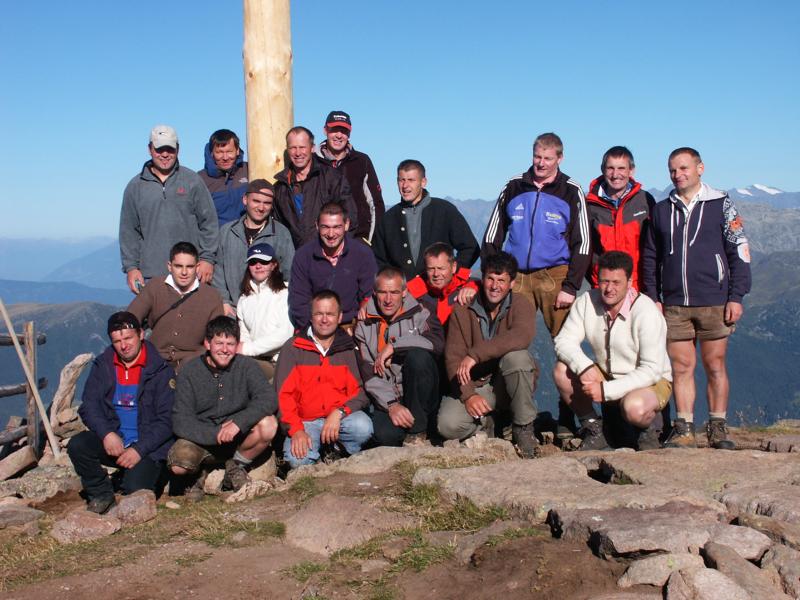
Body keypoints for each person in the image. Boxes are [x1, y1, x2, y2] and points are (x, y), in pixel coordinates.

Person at [481, 132, 590, 440]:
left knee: (567, 347)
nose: (541, 163)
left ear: (560, 158)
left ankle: (568, 417)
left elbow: (583, 243)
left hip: (555, 275)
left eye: (548, 158)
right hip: (516, 276)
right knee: (509, 345)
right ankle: (513, 417)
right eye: (537, 157)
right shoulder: (514, 186)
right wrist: (494, 275)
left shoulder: (571, 190)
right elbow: (492, 235)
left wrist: (571, 285)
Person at [642, 147, 751, 449]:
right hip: (675, 303)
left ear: (700, 168)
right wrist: (653, 296)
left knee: (715, 365)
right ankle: (684, 428)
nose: (677, 175)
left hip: (715, 300)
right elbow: (650, 256)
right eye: (672, 170)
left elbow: (739, 250)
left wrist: (736, 296)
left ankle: (718, 427)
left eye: (684, 168)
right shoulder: (661, 210)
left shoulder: (721, 204)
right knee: (681, 367)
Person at [553, 251, 673, 451]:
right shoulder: (587, 302)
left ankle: (647, 431)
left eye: (616, 282)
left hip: (651, 382)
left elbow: (651, 370)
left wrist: (606, 391)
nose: (609, 289)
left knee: (634, 407)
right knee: (562, 370)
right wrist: (584, 366)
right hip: (608, 374)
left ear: (630, 282)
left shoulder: (646, 311)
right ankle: (594, 428)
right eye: (604, 281)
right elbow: (563, 340)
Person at [69, 312, 175, 514]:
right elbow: (89, 405)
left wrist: (139, 450)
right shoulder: (104, 365)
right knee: (78, 445)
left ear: (141, 334)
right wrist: (107, 434)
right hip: (115, 440)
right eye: (117, 341)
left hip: (147, 447)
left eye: (128, 338)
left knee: (134, 490)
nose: (124, 346)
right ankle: (101, 494)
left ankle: (150, 475)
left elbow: (167, 420)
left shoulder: (160, 370)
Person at [437, 252, 539, 458]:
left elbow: (522, 336)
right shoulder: (462, 309)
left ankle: (523, 427)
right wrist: (469, 395)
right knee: (448, 426)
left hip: (506, 382)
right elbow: (453, 357)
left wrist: (475, 355)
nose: (495, 286)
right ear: (482, 279)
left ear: (512, 283)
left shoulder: (520, 304)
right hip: (478, 385)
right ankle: (489, 422)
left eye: (501, 280)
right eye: (490, 279)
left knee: (517, 358)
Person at [168, 316, 278, 499]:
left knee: (269, 424)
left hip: (238, 439)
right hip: (201, 439)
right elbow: (181, 421)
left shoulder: (247, 366)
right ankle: (198, 475)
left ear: (237, 345)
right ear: (207, 344)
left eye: (230, 344)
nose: (225, 350)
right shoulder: (190, 371)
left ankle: (235, 467)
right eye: (219, 343)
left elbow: (268, 398)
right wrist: (215, 433)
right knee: (178, 465)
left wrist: (238, 423)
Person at [276, 290, 373, 468]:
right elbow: (283, 397)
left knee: (362, 427)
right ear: (311, 316)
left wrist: (339, 412)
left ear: (340, 317)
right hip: (306, 422)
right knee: (298, 461)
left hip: (340, 419)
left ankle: (336, 451)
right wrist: (296, 430)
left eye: (330, 314)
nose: (324, 319)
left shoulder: (349, 348)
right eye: (319, 314)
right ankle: (317, 455)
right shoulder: (293, 347)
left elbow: (360, 392)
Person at [120, 125, 219, 294]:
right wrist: (131, 268)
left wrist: (207, 259)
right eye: (159, 149)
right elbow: (128, 232)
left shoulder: (192, 181)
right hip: (151, 275)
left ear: (178, 149)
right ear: (150, 149)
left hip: (191, 273)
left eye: (170, 149)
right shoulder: (135, 187)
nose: (165, 154)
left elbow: (209, 223)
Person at [356, 267, 444, 446]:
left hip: (421, 391)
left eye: (394, 292)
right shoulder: (364, 325)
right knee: (385, 436)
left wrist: (394, 346)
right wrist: (391, 404)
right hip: (389, 394)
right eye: (383, 292)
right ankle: (405, 428)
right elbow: (367, 372)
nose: (388, 299)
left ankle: (418, 431)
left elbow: (436, 343)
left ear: (404, 292)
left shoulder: (421, 312)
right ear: (375, 292)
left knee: (418, 357)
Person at [372, 159, 479, 281]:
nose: (405, 186)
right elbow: (378, 259)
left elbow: (471, 248)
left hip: (440, 290)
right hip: (403, 291)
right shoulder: (388, 218)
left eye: (411, 180)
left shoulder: (444, 210)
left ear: (423, 182)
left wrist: (453, 275)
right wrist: (393, 284)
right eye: (401, 180)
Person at [127, 242, 224, 370]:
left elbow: (218, 337)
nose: (184, 272)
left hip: (194, 364)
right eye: (178, 266)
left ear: (197, 267)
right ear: (169, 266)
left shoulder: (211, 296)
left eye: (189, 267)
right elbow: (130, 319)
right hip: (154, 361)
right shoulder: (155, 286)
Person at [288, 202, 376, 332]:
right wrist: (313, 330)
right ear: (317, 226)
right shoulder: (303, 256)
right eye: (325, 227)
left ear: (346, 225)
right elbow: (298, 302)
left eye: (336, 227)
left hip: (351, 326)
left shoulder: (362, 254)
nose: (331, 234)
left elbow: (369, 294)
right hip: (315, 326)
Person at [212, 179, 294, 316]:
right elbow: (218, 269)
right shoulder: (227, 232)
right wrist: (224, 301)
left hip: (268, 311)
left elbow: (289, 273)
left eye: (267, 203)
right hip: (232, 310)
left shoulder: (281, 233)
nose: (261, 208)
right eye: (256, 201)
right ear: (245, 200)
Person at [272, 126, 359, 248]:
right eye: (293, 148)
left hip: (329, 253)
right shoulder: (280, 187)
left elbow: (350, 219)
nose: (298, 153)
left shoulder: (332, 178)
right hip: (295, 256)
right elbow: (278, 229)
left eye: (302, 147)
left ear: (312, 148)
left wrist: (338, 251)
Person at [585, 146, 655, 291]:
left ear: (631, 170)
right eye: (610, 168)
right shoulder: (590, 205)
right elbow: (584, 249)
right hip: (604, 287)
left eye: (621, 168)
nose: (615, 174)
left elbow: (654, 246)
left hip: (638, 286)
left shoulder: (645, 201)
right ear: (603, 169)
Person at [315, 110, 385, 243]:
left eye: (344, 131)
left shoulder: (362, 161)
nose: (339, 135)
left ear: (349, 134)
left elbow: (376, 204)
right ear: (325, 130)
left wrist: (371, 241)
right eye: (334, 130)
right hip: (321, 241)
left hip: (357, 240)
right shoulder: (313, 162)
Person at [236, 243, 294, 382]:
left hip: (279, 361)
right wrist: (246, 351)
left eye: (264, 261)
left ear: (273, 265)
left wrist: (248, 349)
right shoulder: (244, 299)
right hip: (254, 361)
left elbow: (285, 334)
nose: (258, 266)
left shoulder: (286, 293)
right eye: (253, 262)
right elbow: (244, 336)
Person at [406, 242, 479, 326]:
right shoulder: (413, 290)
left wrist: (472, 288)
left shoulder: (470, 284)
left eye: (441, 268)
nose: (436, 274)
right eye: (431, 269)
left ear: (454, 267)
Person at [197, 128, 250, 225]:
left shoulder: (250, 170)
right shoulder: (200, 179)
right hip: (217, 233)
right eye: (219, 152)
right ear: (212, 153)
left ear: (237, 151)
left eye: (229, 151)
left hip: (248, 233)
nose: (225, 158)